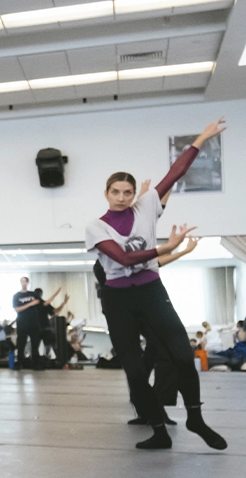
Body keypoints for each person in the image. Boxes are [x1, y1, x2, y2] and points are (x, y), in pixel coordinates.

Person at [88, 117, 227, 450]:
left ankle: (195, 417)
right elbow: (122, 260)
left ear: (135, 193)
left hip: (151, 293)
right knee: (135, 372)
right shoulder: (96, 226)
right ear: (106, 193)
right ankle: (158, 431)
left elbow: (175, 173)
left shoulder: (148, 204)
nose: (121, 197)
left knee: (182, 355)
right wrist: (165, 248)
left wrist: (202, 138)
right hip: (118, 301)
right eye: (115, 192)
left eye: (127, 192)